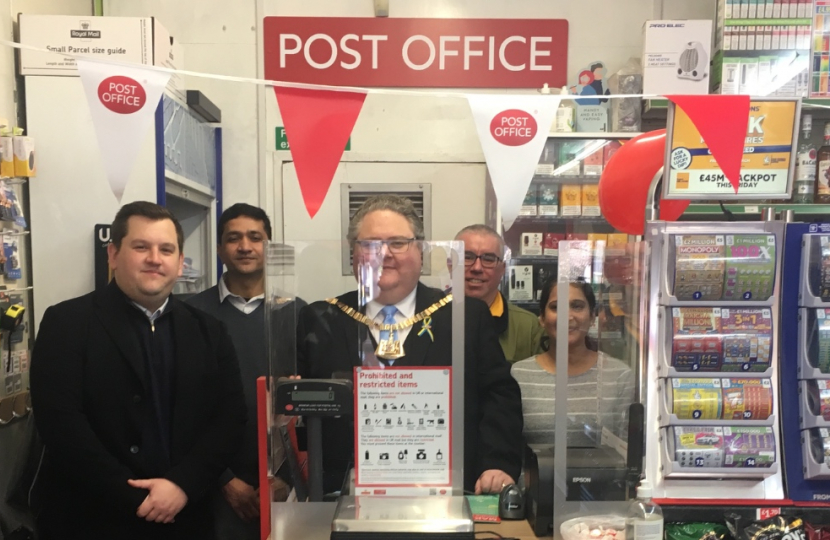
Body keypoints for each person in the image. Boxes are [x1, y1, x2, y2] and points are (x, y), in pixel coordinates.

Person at [30, 201, 246, 540]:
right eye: (141, 247)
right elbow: (61, 426)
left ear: (179, 262)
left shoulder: (209, 331)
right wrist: (136, 497)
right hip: (91, 519)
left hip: (185, 518)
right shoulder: (66, 323)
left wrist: (182, 485)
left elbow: (230, 418)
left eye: (166, 249)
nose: (154, 259)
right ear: (114, 255)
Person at [297, 195, 523, 495]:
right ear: (353, 253)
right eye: (370, 244)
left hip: (446, 492)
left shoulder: (464, 316)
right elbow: (297, 412)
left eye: (398, 243)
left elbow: (499, 395)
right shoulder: (321, 318)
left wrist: (497, 463)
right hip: (344, 495)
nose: (384, 254)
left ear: (419, 249)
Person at [187, 203, 295, 539]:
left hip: (285, 488)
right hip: (210, 487)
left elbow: (312, 409)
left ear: (270, 248)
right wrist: (224, 480)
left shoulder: (297, 314)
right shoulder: (189, 315)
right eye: (233, 238)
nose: (245, 246)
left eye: (255, 238)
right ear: (219, 248)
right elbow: (180, 407)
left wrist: (288, 478)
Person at [510, 278, 634, 446]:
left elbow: (627, 450)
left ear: (592, 317)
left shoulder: (619, 375)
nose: (567, 317)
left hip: (602, 473)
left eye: (577, 306)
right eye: (556, 307)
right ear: (542, 318)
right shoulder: (518, 375)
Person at [455, 224, 544, 362]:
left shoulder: (527, 326)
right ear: (451, 263)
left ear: (502, 269)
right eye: (467, 257)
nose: (477, 268)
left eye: (488, 259)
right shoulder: (430, 317)